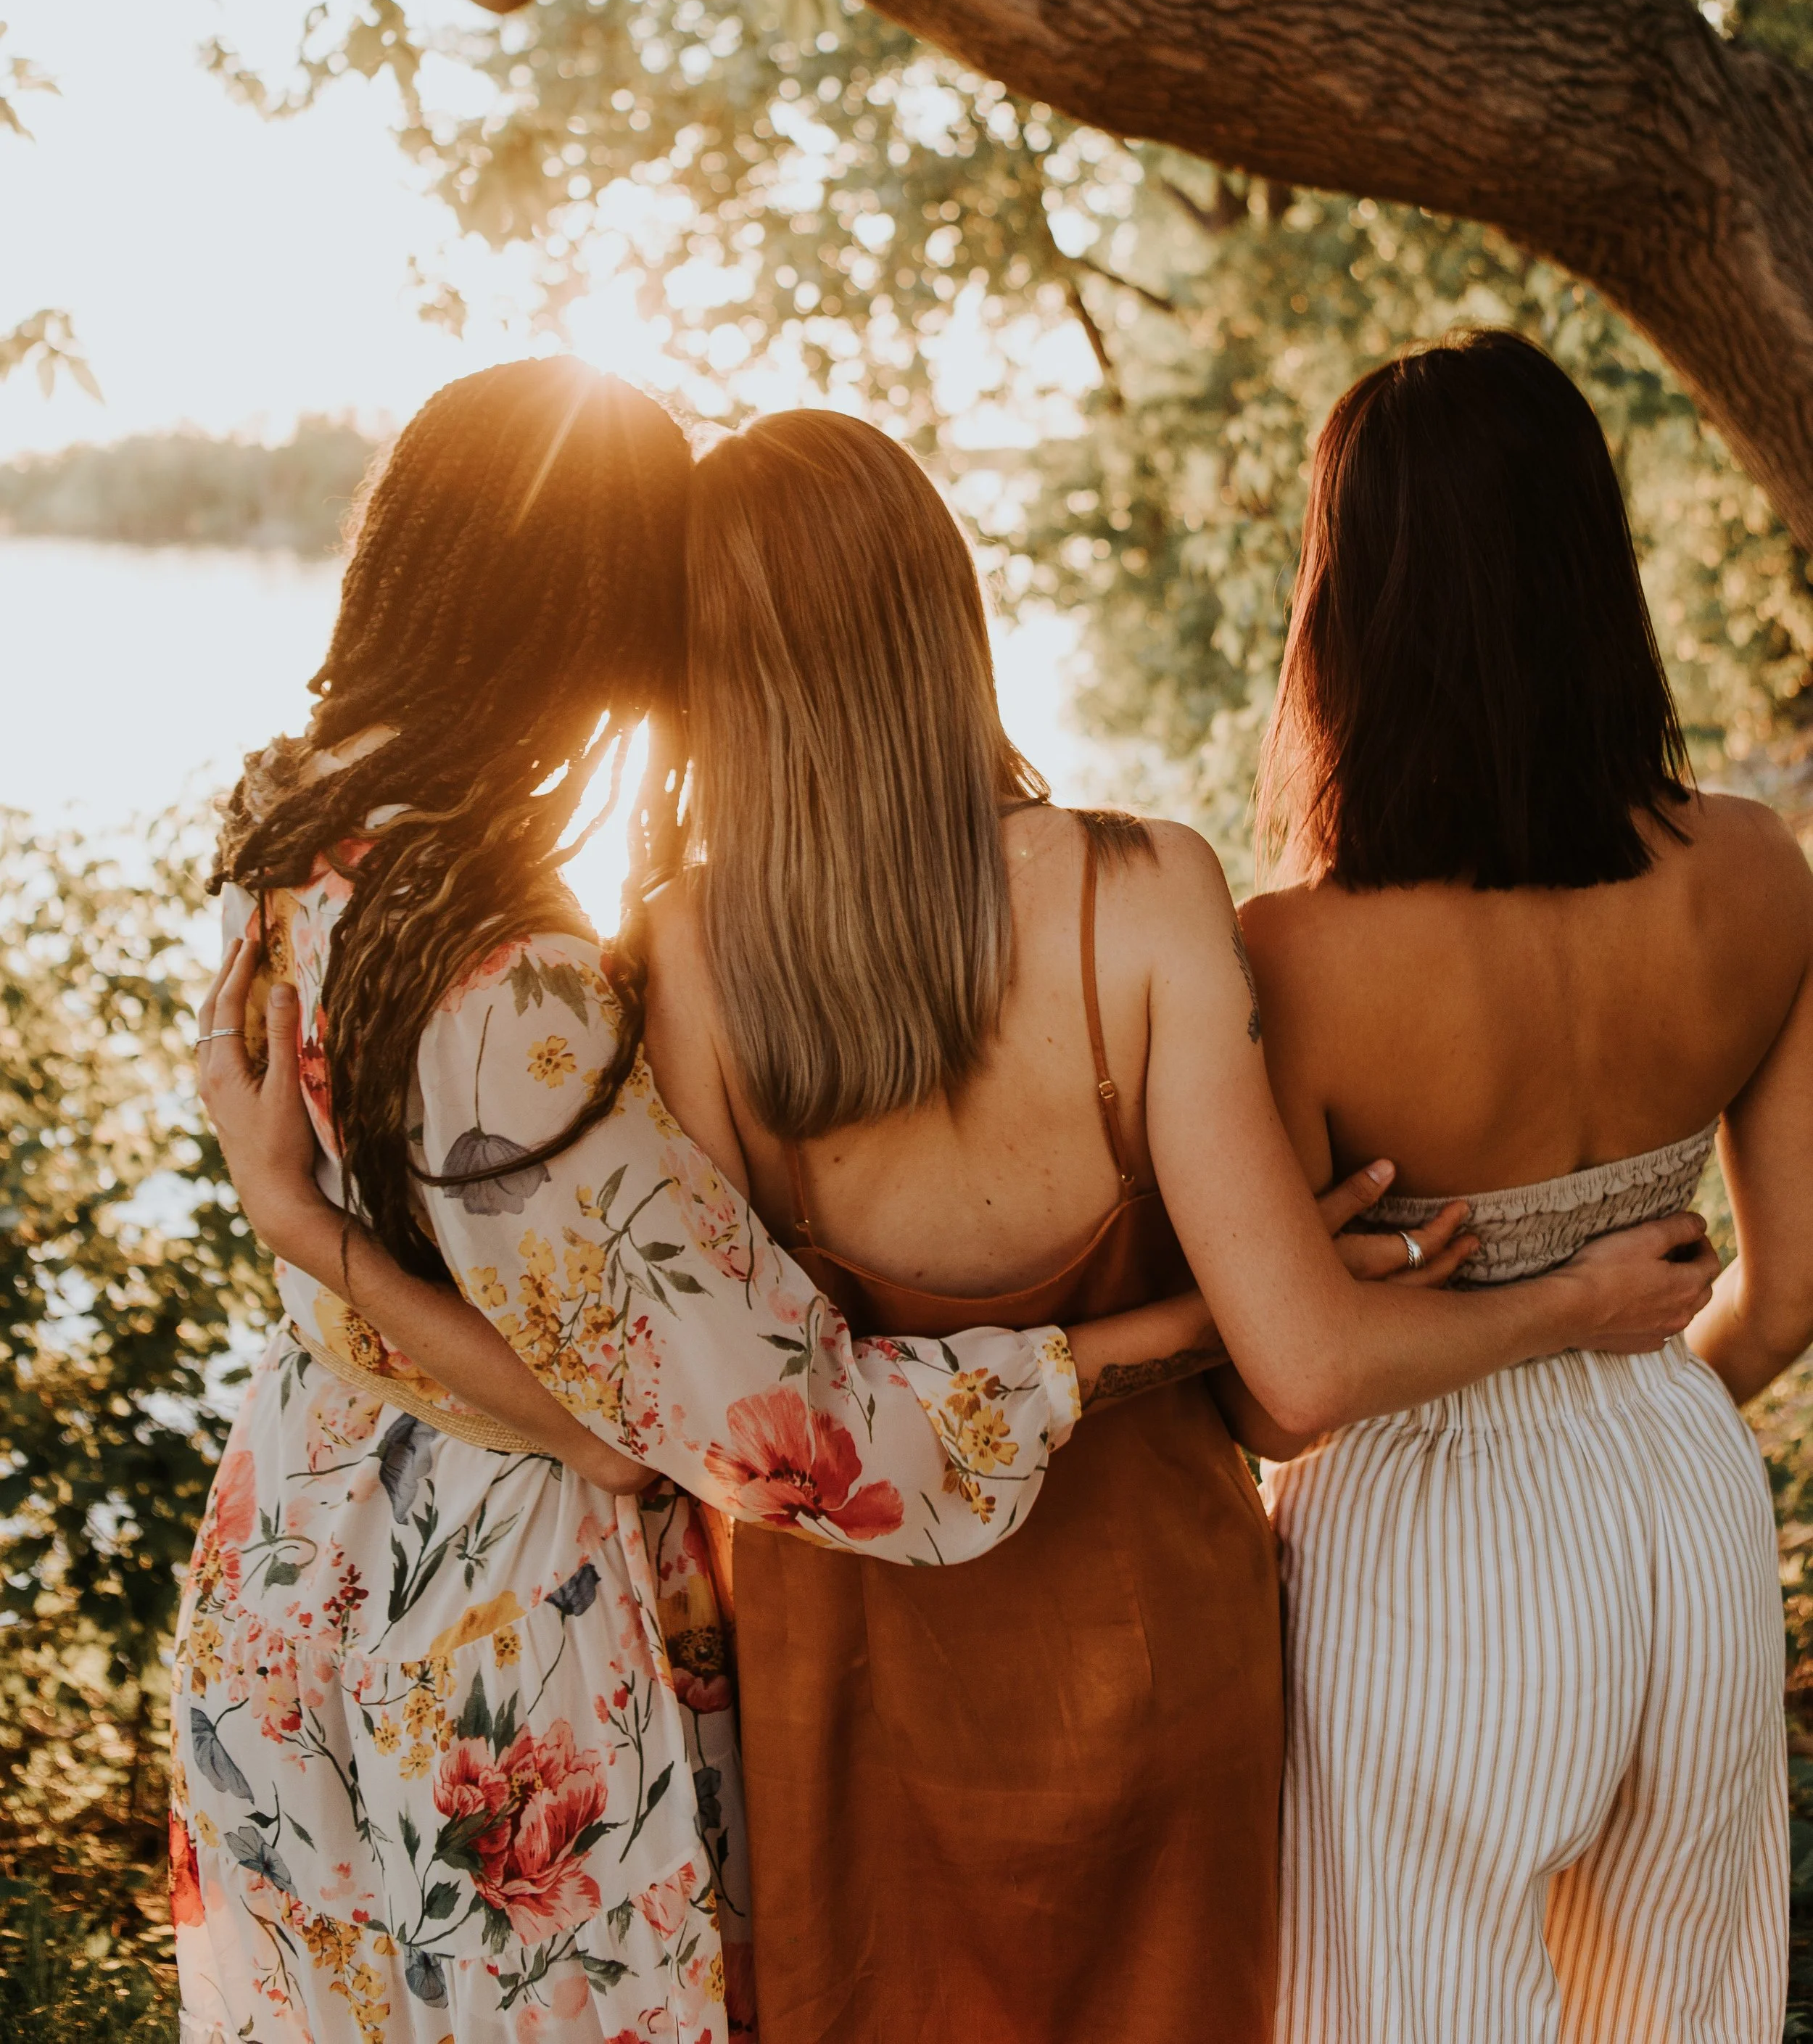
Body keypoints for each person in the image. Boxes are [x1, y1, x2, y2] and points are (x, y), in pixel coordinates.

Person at [215, 404, 1718, 2044]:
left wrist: (301, 1223)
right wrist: (1449, 1303)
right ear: (951, 611)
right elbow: (1286, 1361)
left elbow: (713, 1394)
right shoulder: (1144, 891)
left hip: (839, 1676)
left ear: (707, 666)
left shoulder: (668, 959)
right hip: (1156, 1629)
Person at [173, 358, 1196, 2044]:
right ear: (602, 614)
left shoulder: (288, 823)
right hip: (496, 1641)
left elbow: (350, 1237)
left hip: (294, 1535)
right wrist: (1161, 1331)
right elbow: (751, 1432)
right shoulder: (524, 984)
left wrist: (306, 1237)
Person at [1236, 329, 1808, 2044]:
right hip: (1681, 1493)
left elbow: (1276, 1398)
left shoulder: (1294, 957)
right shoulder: (1754, 869)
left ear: (1353, 596)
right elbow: (1783, 1293)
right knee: (1679, 2013)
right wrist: (1621, 1402)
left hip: (1421, 1535)